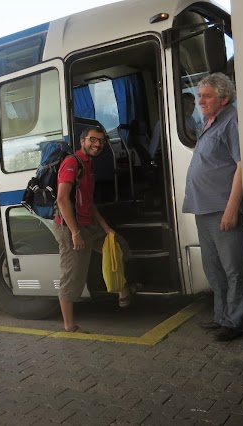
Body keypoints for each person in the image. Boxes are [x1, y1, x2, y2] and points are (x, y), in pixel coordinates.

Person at [54, 125, 140, 333]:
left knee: (117, 245)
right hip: (70, 226)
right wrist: (75, 233)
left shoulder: (88, 165)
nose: (97, 144)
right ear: (82, 141)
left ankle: (122, 290)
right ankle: (69, 325)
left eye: (101, 141)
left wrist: (106, 228)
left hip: (88, 224)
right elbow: (62, 199)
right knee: (73, 274)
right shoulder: (72, 163)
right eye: (93, 140)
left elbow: (89, 203)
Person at [182, 73, 243, 342]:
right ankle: (221, 316)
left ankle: (234, 323)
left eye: (206, 96)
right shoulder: (209, 122)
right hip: (203, 208)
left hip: (222, 208)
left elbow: (242, 165)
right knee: (214, 268)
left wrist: (232, 209)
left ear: (224, 98)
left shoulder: (232, 120)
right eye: (199, 96)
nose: (200, 101)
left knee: (233, 269)